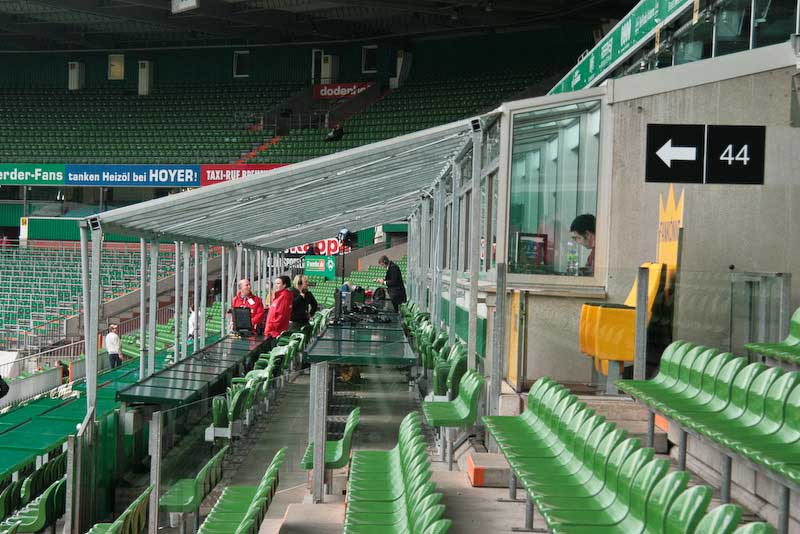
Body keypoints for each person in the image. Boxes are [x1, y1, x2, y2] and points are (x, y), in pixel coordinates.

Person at [265, 275, 293, 350]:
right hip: (274, 332)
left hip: (275, 333)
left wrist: (271, 328)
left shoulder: (284, 297)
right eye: (275, 283)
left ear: (284, 285)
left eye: (278, 283)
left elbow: (280, 316)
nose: (276, 286)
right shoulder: (280, 296)